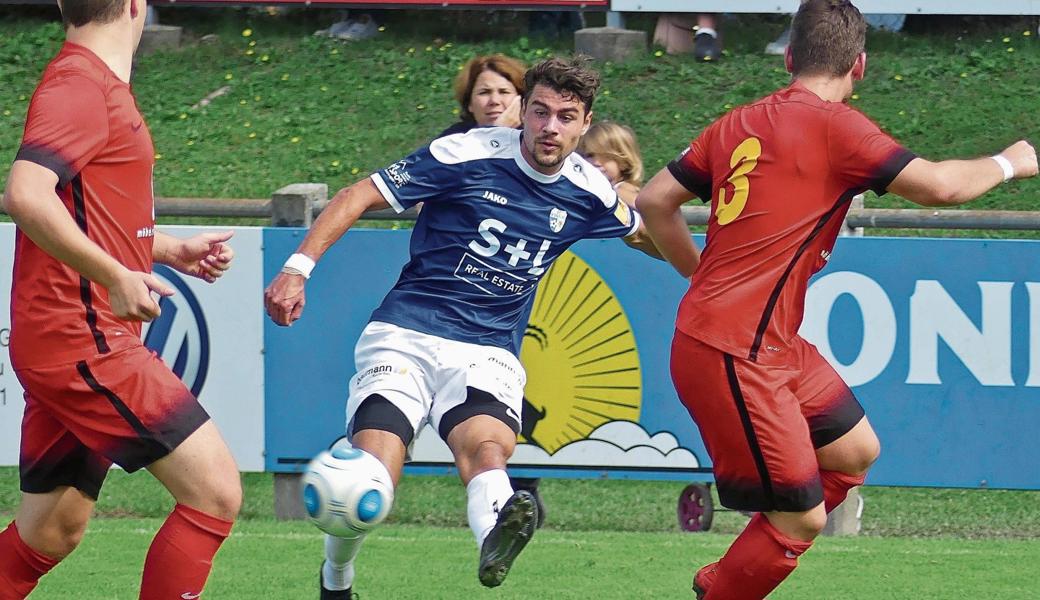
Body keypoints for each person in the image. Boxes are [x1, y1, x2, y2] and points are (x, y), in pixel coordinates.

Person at [635, 1, 1037, 598]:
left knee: (853, 451)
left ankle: (740, 566)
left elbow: (653, 202)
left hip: (764, 341)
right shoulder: (835, 126)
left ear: (790, 56)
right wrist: (1012, 161)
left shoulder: (737, 122)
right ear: (861, 66)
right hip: (734, 351)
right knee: (802, 516)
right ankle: (726, 586)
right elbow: (942, 187)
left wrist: (700, 278)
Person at [265, 56, 662, 598]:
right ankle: (337, 578)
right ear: (523, 110)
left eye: (565, 117)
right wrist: (296, 269)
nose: (549, 127)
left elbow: (645, 231)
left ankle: (493, 542)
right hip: (407, 331)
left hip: (488, 349)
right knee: (372, 476)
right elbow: (358, 194)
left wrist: (714, 263)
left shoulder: (589, 190)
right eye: (540, 111)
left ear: (585, 122)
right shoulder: (467, 152)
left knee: (487, 451)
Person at [0, 0, 243, 598]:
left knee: (51, 532)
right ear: (138, 6)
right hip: (82, 338)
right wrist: (114, 273)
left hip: (67, 336)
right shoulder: (80, 85)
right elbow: (26, 195)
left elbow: (90, 210)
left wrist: (164, 249)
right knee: (214, 492)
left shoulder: (91, 83)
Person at [439, 54, 526, 138]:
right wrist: (496, 132)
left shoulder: (534, 138)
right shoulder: (453, 138)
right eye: (484, 92)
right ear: (470, 103)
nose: (494, 101)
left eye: (504, 92)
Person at [578, 121, 644, 204]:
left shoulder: (620, 189)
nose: (596, 162)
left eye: (606, 157)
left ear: (624, 163)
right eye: (589, 155)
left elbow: (644, 206)